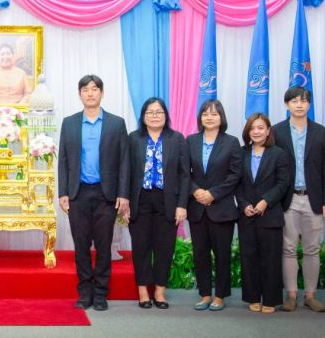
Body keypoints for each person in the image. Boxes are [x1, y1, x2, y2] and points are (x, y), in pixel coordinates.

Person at [57, 74, 130, 311]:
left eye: (95, 89)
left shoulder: (116, 123)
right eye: (85, 89)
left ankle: (100, 294)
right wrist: (63, 192)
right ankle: (85, 292)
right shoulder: (69, 123)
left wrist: (123, 193)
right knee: (81, 247)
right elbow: (64, 160)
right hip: (78, 194)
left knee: (103, 244)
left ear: (102, 93)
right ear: (80, 94)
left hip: (105, 194)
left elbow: (124, 161)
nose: (90, 93)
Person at [271, 87, 325, 313]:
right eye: (294, 101)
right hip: (287, 199)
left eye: (304, 101)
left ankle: (310, 295)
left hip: (313, 199)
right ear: (287, 104)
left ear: (309, 105)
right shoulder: (276, 131)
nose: (299, 105)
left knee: (312, 249)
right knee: (287, 248)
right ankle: (290, 295)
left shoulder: (322, 132)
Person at [127, 97, 188, 309]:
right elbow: (126, 173)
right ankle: (143, 292)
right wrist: (125, 203)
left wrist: (182, 205)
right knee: (141, 247)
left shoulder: (177, 139)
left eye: (159, 112)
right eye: (150, 112)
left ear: (166, 116)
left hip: (167, 200)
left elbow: (184, 175)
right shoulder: (133, 139)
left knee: (165, 248)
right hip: (140, 199)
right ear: (143, 117)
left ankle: (160, 293)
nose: (154, 116)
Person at [186, 99, 241, 312]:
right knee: (200, 253)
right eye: (205, 114)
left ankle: (220, 295)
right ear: (200, 118)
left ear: (221, 118)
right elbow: (184, 172)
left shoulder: (231, 142)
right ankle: (204, 294)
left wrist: (213, 194)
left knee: (222, 254)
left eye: (214, 114)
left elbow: (235, 174)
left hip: (222, 208)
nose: (209, 117)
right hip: (197, 208)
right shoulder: (190, 141)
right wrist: (196, 191)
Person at [236, 112, 291, 314]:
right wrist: (243, 204)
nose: (256, 131)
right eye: (253, 128)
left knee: (270, 258)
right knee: (249, 256)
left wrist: (265, 201)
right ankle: (252, 297)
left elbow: (283, 183)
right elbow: (237, 184)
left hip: (271, 214)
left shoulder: (278, 153)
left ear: (268, 131)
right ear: (248, 131)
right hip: (247, 214)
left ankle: (270, 298)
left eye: (261, 128)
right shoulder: (241, 153)